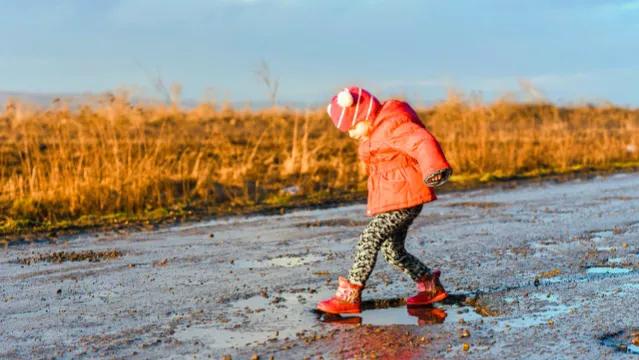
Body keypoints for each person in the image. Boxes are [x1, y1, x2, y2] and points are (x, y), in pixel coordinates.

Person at [317, 86, 453, 314]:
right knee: (393, 251)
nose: (350, 134)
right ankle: (430, 286)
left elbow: (421, 141)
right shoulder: (376, 133)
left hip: (405, 198)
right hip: (397, 198)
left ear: (366, 115)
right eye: (347, 130)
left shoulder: (392, 125)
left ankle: (350, 295)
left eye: (353, 127)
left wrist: (434, 168)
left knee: (369, 238)